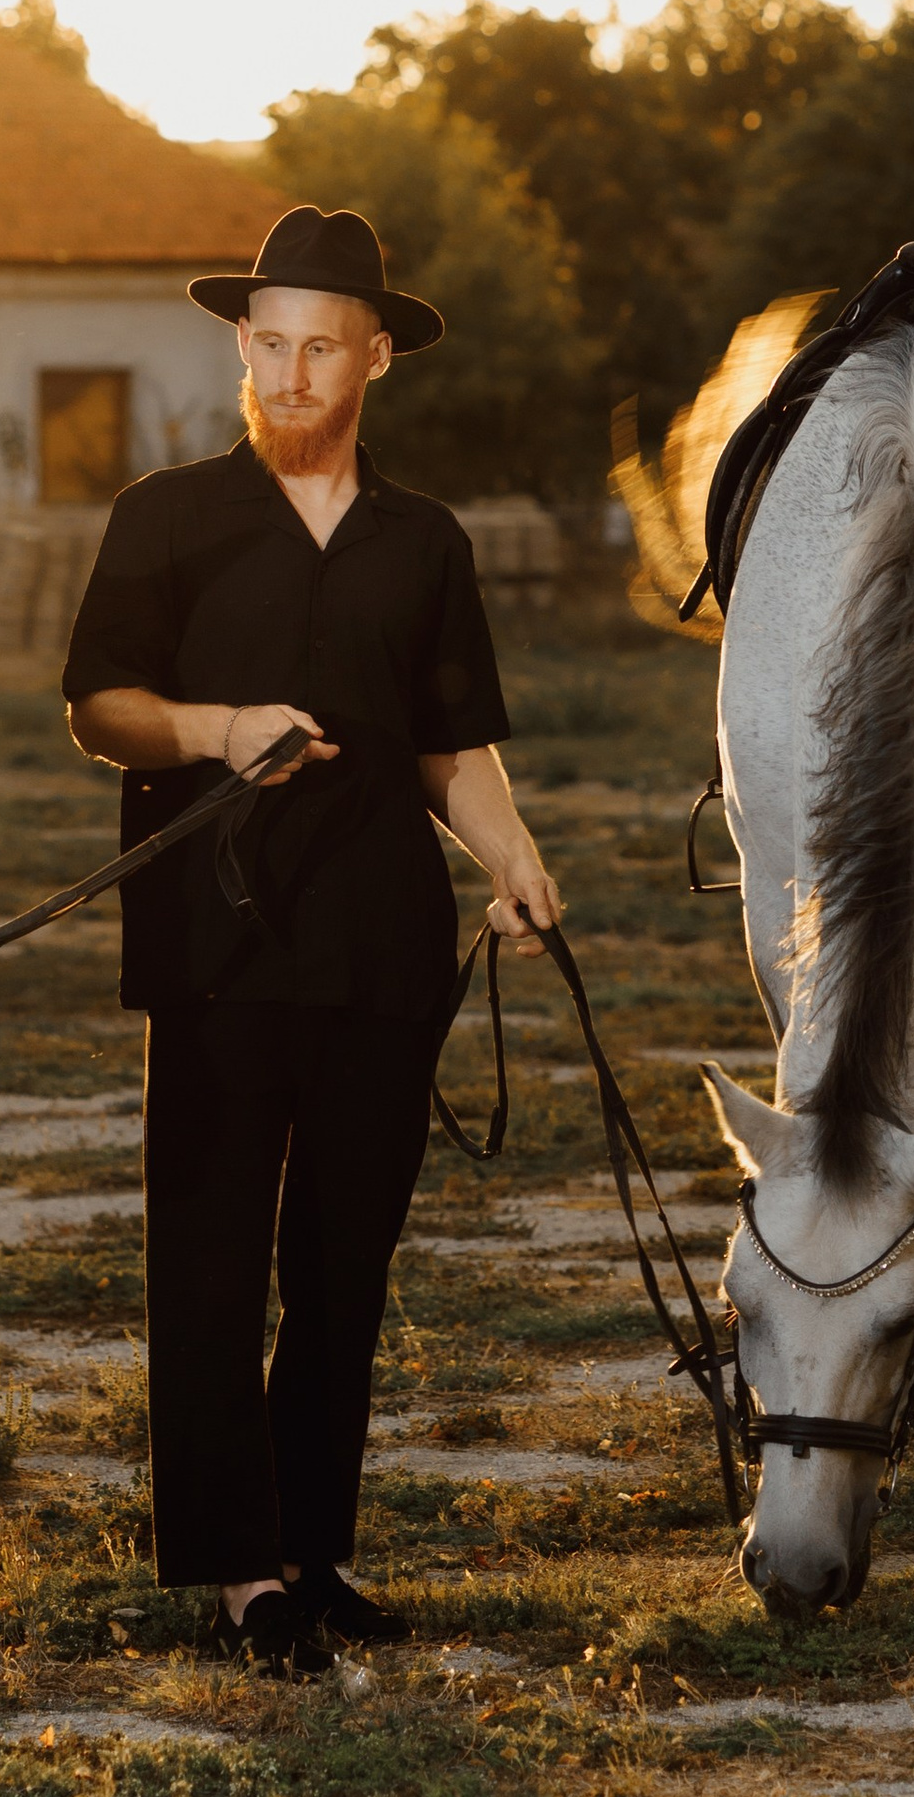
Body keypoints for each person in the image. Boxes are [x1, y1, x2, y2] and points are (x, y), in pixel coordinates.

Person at [62, 200, 562, 1671]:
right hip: (215, 951)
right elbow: (99, 705)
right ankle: (238, 1574)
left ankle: (311, 1548)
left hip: (384, 949)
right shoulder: (166, 517)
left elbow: (452, 746)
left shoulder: (426, 544)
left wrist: (516, 859)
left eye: (319, 349)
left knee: (345, 1264)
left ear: (374, 358)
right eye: (266, 345)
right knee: (211, 1260)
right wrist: (217, 729)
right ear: (243, 347)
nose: (287, 375)